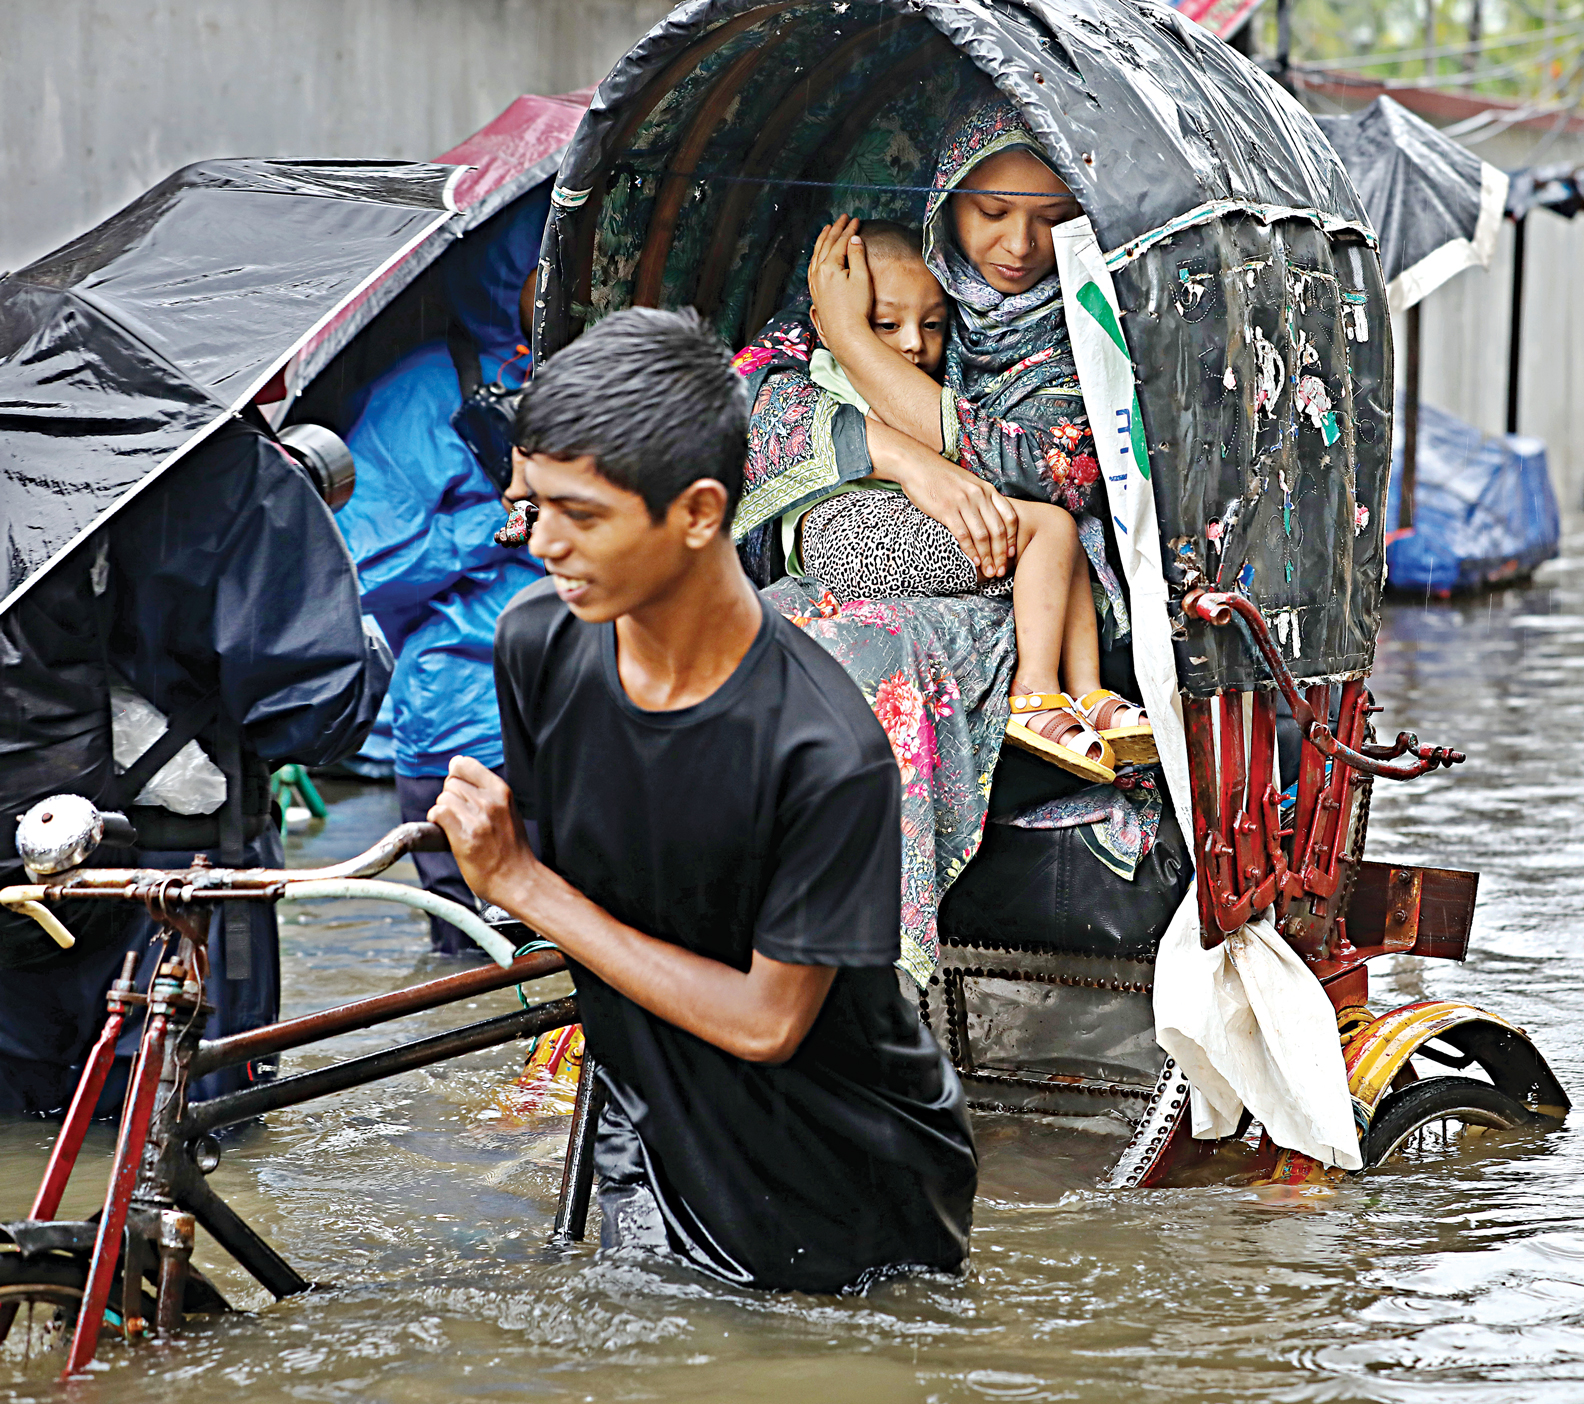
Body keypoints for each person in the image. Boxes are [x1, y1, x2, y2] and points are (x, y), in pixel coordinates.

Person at [429, 306, 976, 1293]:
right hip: (650, 1127)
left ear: (696, 512)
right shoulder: (538, 645)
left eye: (580, 514)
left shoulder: (824, 747)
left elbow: (770, 1023)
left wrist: (522, 886)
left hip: (842, 1178)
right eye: (531, 505)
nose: (541, 543)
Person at [728, 89, 1161, 981]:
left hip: (1035, 594)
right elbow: (746, 394)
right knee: (745, 641)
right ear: (944, 208)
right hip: (876, 552)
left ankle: (862, 967)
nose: (1017, 247)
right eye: (991, 212)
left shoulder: (1092, 325)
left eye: (1052, 218)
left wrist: (858, 341)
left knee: (868, 646)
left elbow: (1052, 467)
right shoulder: (901, 282)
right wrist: (899, 454)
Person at [0, 423, 392, 1115]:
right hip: (177, 884)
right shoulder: (227, 466)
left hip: (12, 874)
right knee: (187, 1146)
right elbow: (320, 716)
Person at [790, 216, 1149, 780]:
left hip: (897, 527)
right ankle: (1036, 694)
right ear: (829, 321)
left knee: (1071, 535)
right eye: (886, 324)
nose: (912, 344)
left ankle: (1089, 695)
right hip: (849, 531)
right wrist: (851, 337)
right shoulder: (836, 374)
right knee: (1051, 531)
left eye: (933, 325)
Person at [336, 196, 546, 956]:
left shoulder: (608, 374)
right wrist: (495, 525)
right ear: (507, 275)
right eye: (546, 264)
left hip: (591, 716)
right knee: (473, 976)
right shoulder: (423, 392)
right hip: (464, 722)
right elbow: (366, 568)